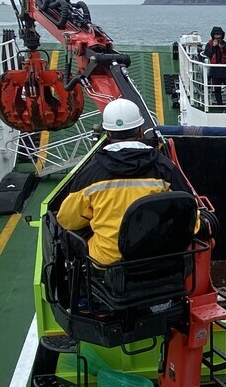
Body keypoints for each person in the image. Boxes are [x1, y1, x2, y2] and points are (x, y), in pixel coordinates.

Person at [56, 99, 194, 265]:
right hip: (159, 261)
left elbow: (67, 219)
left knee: (66, 234)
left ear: (107, 134)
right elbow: (192, 217)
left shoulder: (90, 174)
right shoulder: (164, 168)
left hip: (108, 265)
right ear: (140, 131)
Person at [202, 26, 226, 109]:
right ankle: (220, 107)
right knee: (217, 89)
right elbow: (208, 54)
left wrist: (223, 47)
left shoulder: (225, 44)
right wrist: (214, 46)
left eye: (219, 35)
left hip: (225, 69)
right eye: (216, 35)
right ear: (213, 35)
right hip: (215, 69)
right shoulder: (209, 44)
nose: (218, 36)